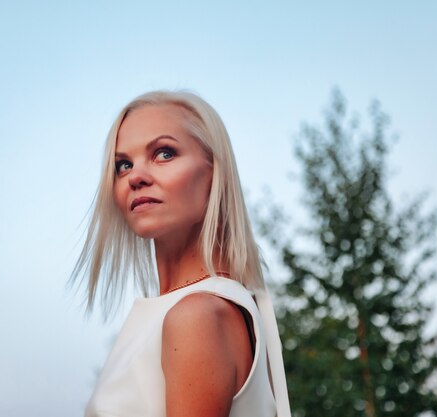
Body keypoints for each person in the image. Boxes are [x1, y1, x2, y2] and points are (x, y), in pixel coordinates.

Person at [71, 90, 291, 417]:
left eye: (164, 153)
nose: (136, 177)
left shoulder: (197, 316)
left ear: (214, 171)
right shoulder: (200, 310)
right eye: (123, 165)